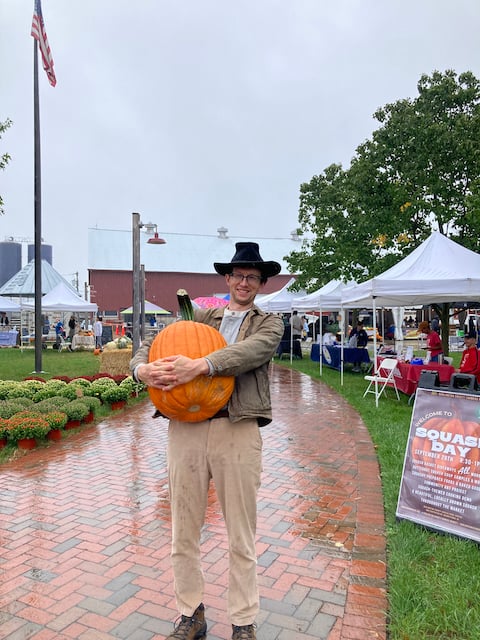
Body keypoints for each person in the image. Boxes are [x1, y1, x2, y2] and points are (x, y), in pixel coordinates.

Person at [130, 242, 284, 640]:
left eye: (252, 277)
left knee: (241, 531)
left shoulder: (269, 323)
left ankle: (243, 620)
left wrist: (201, 365)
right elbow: (155, 343)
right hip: (186, 426)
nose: (244, 282)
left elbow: (251, 353)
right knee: (183, 527)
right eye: (238, 275)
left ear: (261, 283)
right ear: (227, 279)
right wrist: (140, 370)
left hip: (238, 427)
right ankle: (190, 613)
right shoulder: (200, 315)